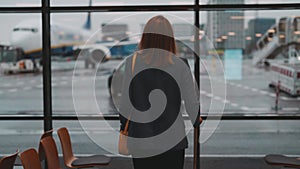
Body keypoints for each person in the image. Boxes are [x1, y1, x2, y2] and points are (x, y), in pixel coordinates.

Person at [118, 15, 201, 169]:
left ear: (146, 37)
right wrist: (196, 120)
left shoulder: (132, 62)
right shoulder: (180, 64)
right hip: (173, 138)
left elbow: (125, 103)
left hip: (141, 139)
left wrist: (124, 126)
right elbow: (191, 101)